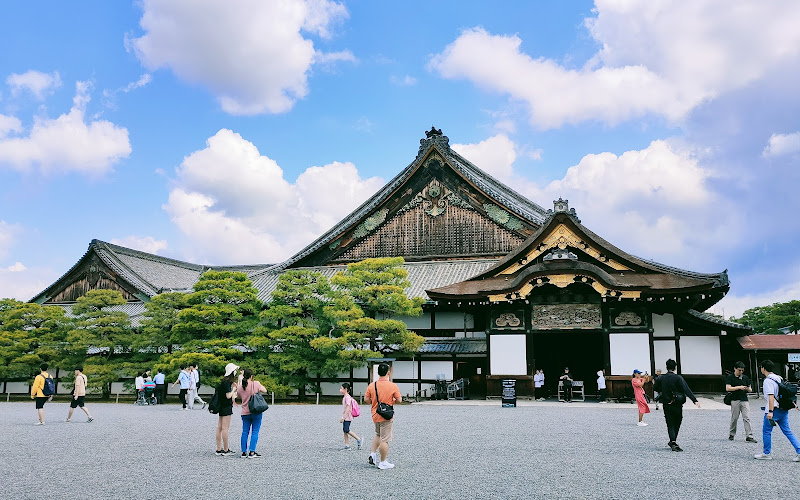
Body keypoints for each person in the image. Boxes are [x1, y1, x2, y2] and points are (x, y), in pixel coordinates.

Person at [754, 359, 800, 461]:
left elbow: (771, 397)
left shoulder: (768, 381)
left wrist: (770, 412)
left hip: (773, 409)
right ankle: (799, 451)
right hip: (783, 408)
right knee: (788, 431)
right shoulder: (778, 377)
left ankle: (766, 453)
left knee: (766, 431)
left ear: (763, 368)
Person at [653, 359, 700, 452]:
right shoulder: (678, 378)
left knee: (670, 423)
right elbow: (686, 389)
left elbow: (655, 388)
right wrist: (695, 400)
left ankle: (673, 441)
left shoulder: (661, 378)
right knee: (677, 421)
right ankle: (673, 441)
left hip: (666, 403)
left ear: (666, 367)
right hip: (677, 403)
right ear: (675, 367)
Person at [364, 363, 402, 470]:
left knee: (378, 434)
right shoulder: (392, 386)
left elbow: (366, 399)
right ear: (388, 373)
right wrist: (391, 402)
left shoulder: (372, 385)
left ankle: (373, 453)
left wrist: (375, 402)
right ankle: (383, 462)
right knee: (385, 440)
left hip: (376, 414)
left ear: (378, 373)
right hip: (387, 415)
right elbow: (399, 400)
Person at [238, 368, 268, 458]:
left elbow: (239, 395)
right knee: (255, 432)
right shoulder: (256, 384)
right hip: (256, 411)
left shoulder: (240, 387)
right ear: (251, 376)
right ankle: (252, 451)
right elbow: (264, 390)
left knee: (245, 432)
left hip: (245, 412)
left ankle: (243, 452)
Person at [726, 361, 756, 443]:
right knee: (734, 418)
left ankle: (749, 435)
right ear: (735, 369)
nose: (741, 372)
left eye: (742, 370)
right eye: (739, 370)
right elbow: (728, 388)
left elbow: (750, 389)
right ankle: (732, 434)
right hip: (734, 399)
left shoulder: (745, 378)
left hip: (744, 399)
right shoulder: (730, 377)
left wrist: (747, 389)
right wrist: (739, 387)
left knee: (747, 417)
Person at [215, 363, 238, 457]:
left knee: (219, 427)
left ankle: (218, 449)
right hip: (226, 407)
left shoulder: (223, 381)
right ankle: (226, 449)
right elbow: (228, 396)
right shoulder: (228, 383)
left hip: (221, 406)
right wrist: (234, 389)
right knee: (225, 428)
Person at [340, 382, 362, 450]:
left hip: (347, 417)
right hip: (346, 416)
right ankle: (347, 444)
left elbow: (348, 408)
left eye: (341, 388)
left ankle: (358, 439)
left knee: (347, 430)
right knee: (344, 430)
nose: (340, 390)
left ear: (345, 389)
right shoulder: (346, 397)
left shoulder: (347, 398)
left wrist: (343, 417)